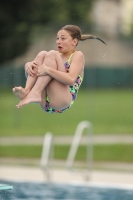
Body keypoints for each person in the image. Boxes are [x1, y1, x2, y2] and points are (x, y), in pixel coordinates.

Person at [13, 25, 106, 113]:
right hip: (44, 100)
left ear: (74, 42)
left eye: (63, 38)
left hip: (62, 101)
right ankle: (28, 91)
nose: (58, 41)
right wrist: (28, 66)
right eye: (57, 38)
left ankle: (35, 93)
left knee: (51, 53)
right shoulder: (53, 58)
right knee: (42, 53)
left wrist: (48, 70)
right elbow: (38, 73)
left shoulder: (77, 55)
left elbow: (70, 80)